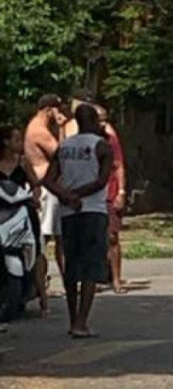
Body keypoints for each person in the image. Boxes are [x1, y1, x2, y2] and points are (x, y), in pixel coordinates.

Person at [42, 104, 113, 339]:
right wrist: (78, 195)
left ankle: (73, 318)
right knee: (91, 267)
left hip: (68, 212)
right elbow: (102, 181)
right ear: (91, 120)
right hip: (92, 210)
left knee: (72, 266)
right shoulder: (101, 146)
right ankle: (82, 320)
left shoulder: (64, 147)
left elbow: (48, 180)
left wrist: (66, 196)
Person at [0, 125, 47, 315]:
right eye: (16, 139)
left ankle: (43, 296)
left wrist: (35, 196)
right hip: (2, 211)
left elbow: (35, 184)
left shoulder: (23, 162)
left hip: (22, 209)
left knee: (35, 248)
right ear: (6, 142)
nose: (20, 143)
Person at [24, 94, 65, 291]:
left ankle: (64, 281)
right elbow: (61, 153)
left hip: (48, 188)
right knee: (44, 240)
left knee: (56, 238)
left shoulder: (37, 127)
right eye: (57, 109)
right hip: (46, 190)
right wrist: (62, 128)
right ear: (49, 110)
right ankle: (37, 285)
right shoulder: (39, 130)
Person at [96, 104, 128, 294]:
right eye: (99, 120)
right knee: (93, 238)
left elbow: (119, 165)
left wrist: (121, 191)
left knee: (112, 236)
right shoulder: (84, 141)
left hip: (110, 192)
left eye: (105, 119)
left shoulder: (110, 139)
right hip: (91, 194)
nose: (103, 124)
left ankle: (116, 279)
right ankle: (95, 278)